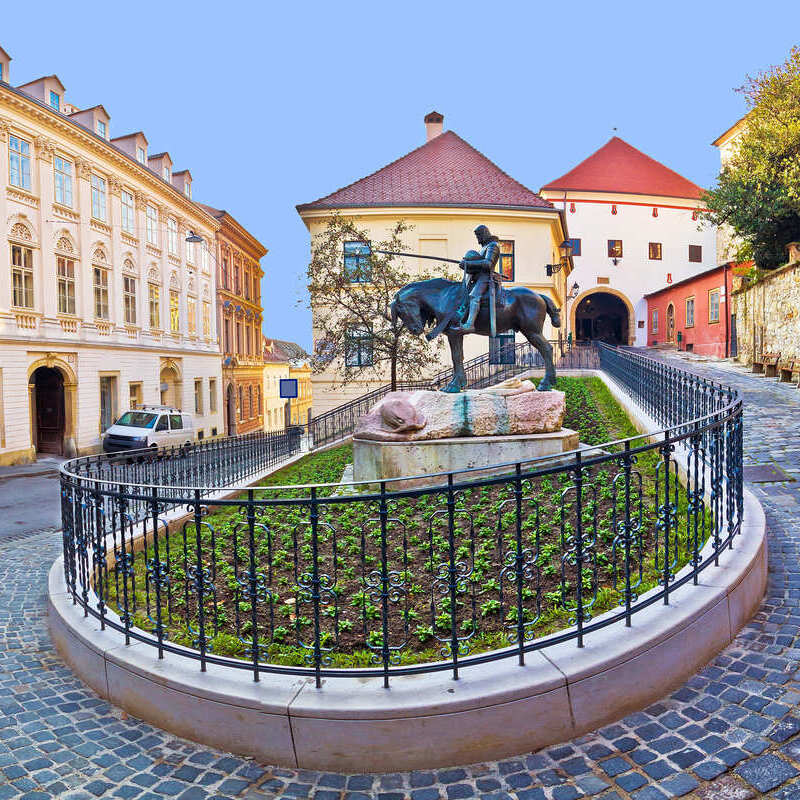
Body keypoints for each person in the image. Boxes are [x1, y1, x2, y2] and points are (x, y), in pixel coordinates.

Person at [449, 225, 501, 334]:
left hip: (486, 277)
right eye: (476, 236)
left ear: (484, 233)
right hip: (477, 277)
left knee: (474, 296)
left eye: (479, 235)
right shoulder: (483, 248)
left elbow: (488, 264)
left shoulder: (493, 246)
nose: (478, 238)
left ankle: (470, 325)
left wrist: (468, 263)